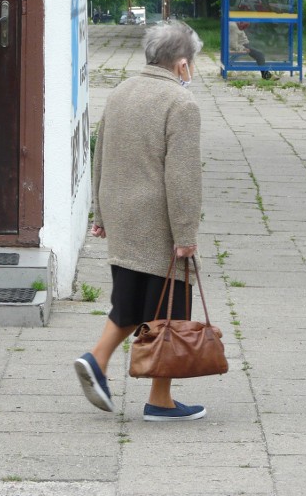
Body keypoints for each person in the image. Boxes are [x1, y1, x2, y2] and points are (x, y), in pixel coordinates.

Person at [74, 21, 206, 422]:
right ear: (182, 65)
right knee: (168, 311)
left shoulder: (120, 92)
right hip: (158, 222)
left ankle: (96, 359)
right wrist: (186, 234)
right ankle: (160, 401)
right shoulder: (181, 105)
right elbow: (182, 176)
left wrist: (99, 212)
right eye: (193, 63)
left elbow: (99, 153)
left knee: (131, 302)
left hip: (122, 215)